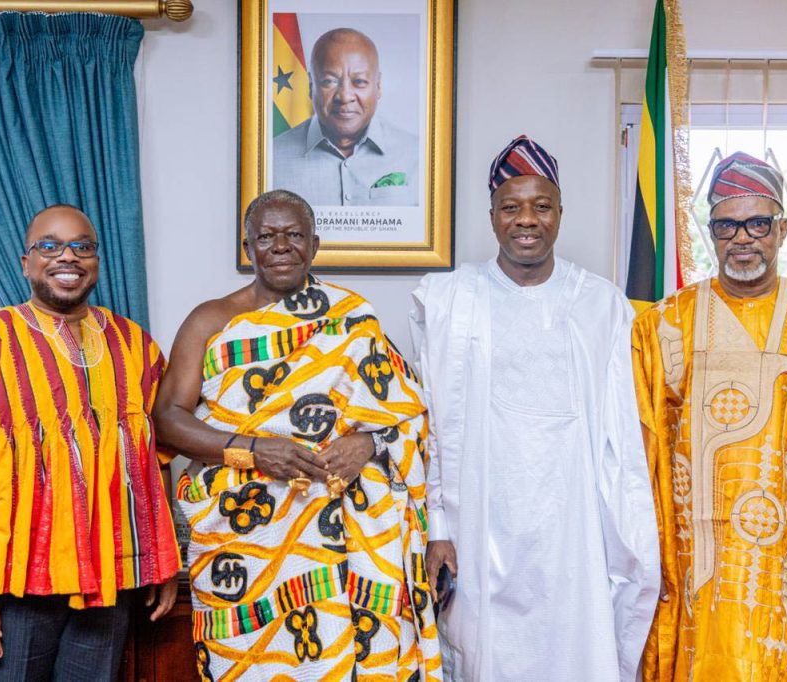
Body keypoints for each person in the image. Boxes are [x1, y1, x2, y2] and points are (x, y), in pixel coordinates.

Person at [153, 189, 440, 680]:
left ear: (315, 245)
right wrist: (254, 452)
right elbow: (167, 418)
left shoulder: (354, 318)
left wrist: (369, 443)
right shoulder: (211, 320)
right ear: (247, 247)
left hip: (343, 534)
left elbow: (410, 412)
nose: (281, 246)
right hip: (244, 535)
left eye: (294, 235)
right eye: (266, 236)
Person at [0, 205, 181, 681]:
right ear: (26, 263)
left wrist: (159, 561)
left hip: (111, 576)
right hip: (19, 582)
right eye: (49, 246)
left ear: (97, 261)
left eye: (82, 247)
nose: (67, 257)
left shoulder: (136, 346)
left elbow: (155, 462)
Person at [409, 135, 660, 681]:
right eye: (511, 207)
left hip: (575, 531)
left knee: (576, 653)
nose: (527, 220)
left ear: (560, 213)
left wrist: (627, 539)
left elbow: (622, 439)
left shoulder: (602, 305)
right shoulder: (448, 300)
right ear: (492, 216)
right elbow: (427, 427)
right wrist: (436, 526)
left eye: (541, 206)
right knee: (484, 657)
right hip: (478, 526)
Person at [632, 152, 787, 680]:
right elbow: (637, 460)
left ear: (782, 229)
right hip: (690, 578)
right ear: (711, 233)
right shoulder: (661, 330)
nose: (742, 238)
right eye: (726, 225)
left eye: (757, 224)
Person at [273, 28, 419, 207]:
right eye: (329, 81)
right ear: (311, 85)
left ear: (378, 85)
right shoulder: (271, 159)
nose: (344, 96)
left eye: (359, 82)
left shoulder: (417, 154)